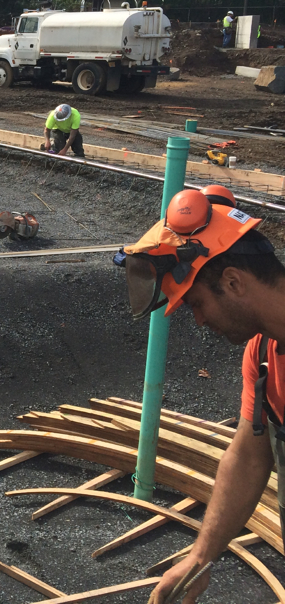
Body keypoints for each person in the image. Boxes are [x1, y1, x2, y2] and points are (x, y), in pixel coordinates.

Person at [119, 185, 285, 603]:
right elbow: (250, 453)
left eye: (195, 303)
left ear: (233, 281)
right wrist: (199, 559)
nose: (197, 320)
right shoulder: (263, 355)